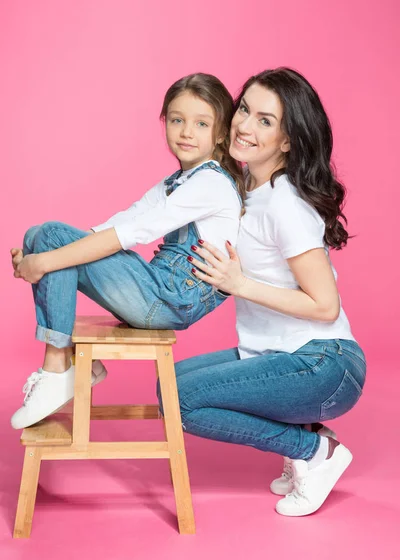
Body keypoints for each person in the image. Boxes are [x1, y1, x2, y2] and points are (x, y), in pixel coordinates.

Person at [160, 68, 367, 517]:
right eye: (245, 110)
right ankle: (312, 440)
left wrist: (239, 285)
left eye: (266, 121)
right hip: (275, 353)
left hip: (324, 363)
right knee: (167, 387)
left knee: (182, 404)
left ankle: (314, 452)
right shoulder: (246, 190)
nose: (246, 126)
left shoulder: (285, 203)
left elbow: (324, 304)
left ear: (288, 141)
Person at [10, 73, 244, 430]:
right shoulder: (179, 181)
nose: (186, 132)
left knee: (51, 238)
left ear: (222, 133)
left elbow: (133, 233)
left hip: (167, 300)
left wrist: (43, 260)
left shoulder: (210, 183)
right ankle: (70, 361)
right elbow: (125, 218)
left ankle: (57, 366)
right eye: (177, 120)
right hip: (156, 292)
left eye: (201, 124)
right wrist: (37, 253)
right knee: (38, 234)